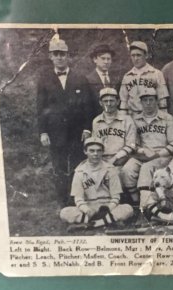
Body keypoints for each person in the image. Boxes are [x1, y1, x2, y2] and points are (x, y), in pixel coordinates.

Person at [36, 36, 92, 204]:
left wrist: (87, 128)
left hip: (77, 132)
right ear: (51, 57)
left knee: (77, 166)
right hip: (55, 132)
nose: (60, 57)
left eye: (63, 54)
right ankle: (63, 203)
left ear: (68, 56)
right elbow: (40, 108)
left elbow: (88, 106)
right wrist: (43, 132)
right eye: (56, 54)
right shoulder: (44, 79)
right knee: (59, 167)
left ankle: (77, 200)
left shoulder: (80, 78)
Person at [120, 88, 173, 205]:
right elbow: (132, 143)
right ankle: (137, 202)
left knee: (146, 168)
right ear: (140, 102)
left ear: (156, 101)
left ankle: (146, 205)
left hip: (162, 155)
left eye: (151, 100)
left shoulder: (167, 118)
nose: (148, 103)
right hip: (142, 155)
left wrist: (156, 154)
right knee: (126, 170)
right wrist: (141, 150)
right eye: (145, 100)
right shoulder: (135, 119)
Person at [59, 137, 133, 228]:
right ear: (85, 152)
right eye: (92, 151)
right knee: (64, 212)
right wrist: (87, 210)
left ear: (102, 152)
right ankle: (107, 221)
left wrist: (108, 208)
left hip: (107, 206)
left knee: (128, 209)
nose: (95, 154)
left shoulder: (110, 169)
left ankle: (91, 224)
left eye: (99, 151)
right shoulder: (79, 171)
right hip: (89, 207)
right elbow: (78, 198)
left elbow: (116, 196)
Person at [119, 41, 169, 115]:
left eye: (139, 55)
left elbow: (162, 102)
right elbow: (123, 102)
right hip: (133, 117)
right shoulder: (127, 76)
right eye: (133, 55)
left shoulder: (156, 74)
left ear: (146, 55)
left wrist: (163, 120)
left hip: (151, 117)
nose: (135, 58)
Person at [91, 87, 137, 166]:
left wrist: (115, 158)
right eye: (105, 101)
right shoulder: (96, 121)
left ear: (118, 102)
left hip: (122, 159)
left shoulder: (127, 119)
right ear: (100, 103)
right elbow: (95, 144)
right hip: (101, 159)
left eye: (111, 101)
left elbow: (131, 145)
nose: (108, 104)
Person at [86, 44, 120, 117]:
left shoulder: (116, 78)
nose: (106, 62)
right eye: (103, 58)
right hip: (96, 120)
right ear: (95, 59)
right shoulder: (88, 80)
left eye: (108, 59)